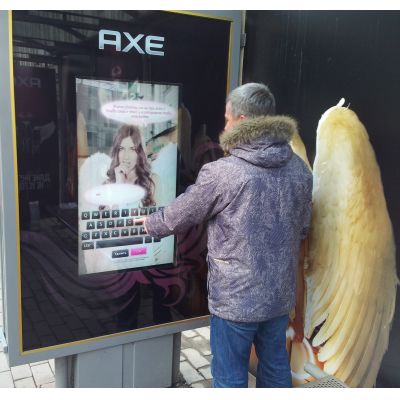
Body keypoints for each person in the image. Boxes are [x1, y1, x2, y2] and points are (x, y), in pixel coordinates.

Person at [137, 83, 313, 388]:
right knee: (275, 369)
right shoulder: (299, 169)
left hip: (236, 301)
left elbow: (183, 213)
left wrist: (151, 223)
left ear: (243, 122)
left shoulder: (224, 172)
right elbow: (303, 229)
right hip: (277, 297)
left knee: (230, 379)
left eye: (228, 118)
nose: (225, 125)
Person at [105, 124, 161, 207]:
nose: (126, 156)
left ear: (139, 153)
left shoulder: (152, 181)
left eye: (132, 149)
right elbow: (105, 220)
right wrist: (118, 185)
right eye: (121, 149)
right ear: (117, 152)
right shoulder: (109, 184)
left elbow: (158, 218)